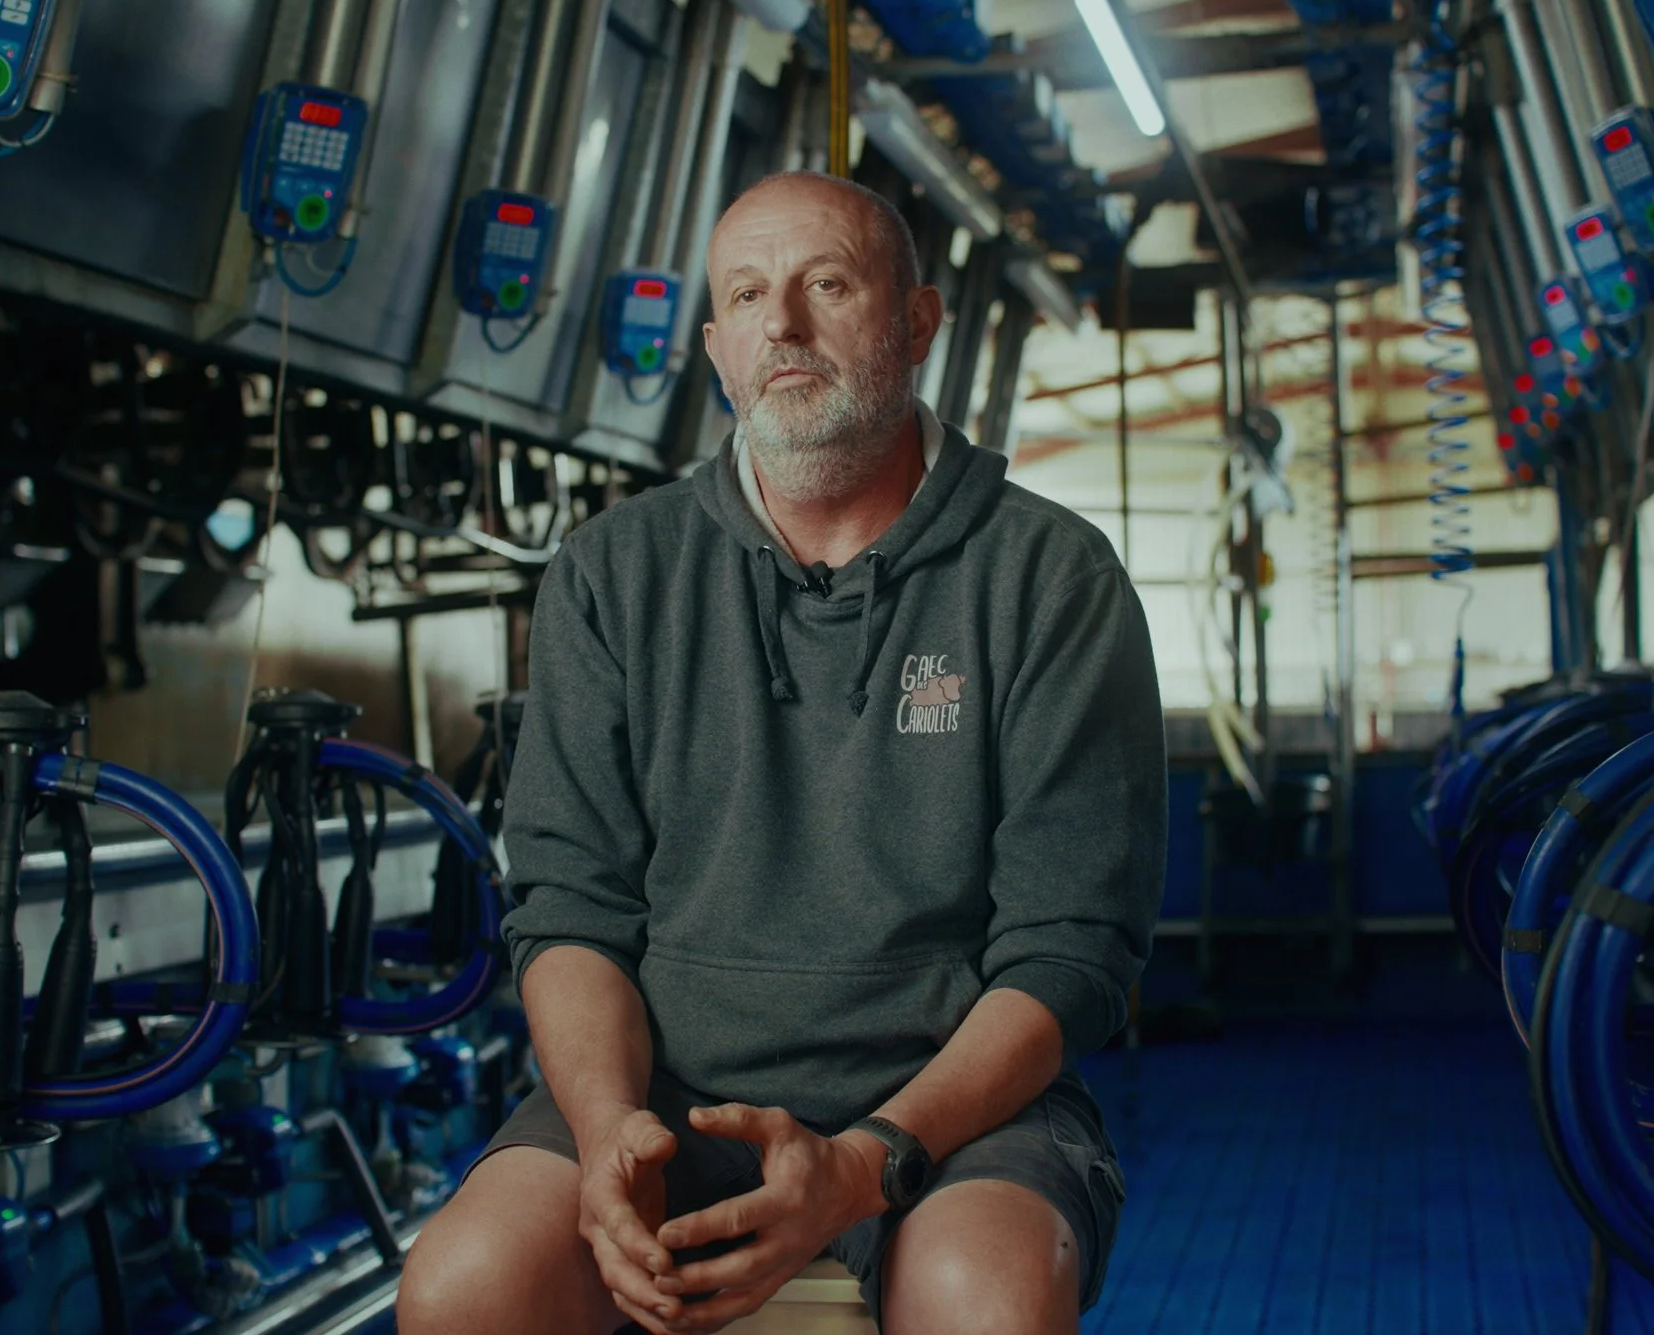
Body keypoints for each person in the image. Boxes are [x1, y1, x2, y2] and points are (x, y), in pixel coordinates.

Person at [397, 171, 1164, 1335]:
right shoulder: (613, 575)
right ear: (715, 347)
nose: (783, 326)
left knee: (985, 1296)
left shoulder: (1050, 579)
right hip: (663, 1093)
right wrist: (610, 1130)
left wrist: (867, 1159)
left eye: (827, 284)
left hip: (950, 1115)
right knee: (464, 1287)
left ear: (915, 321)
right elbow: (571, 909)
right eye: (748, 295)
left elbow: (1070, 950)